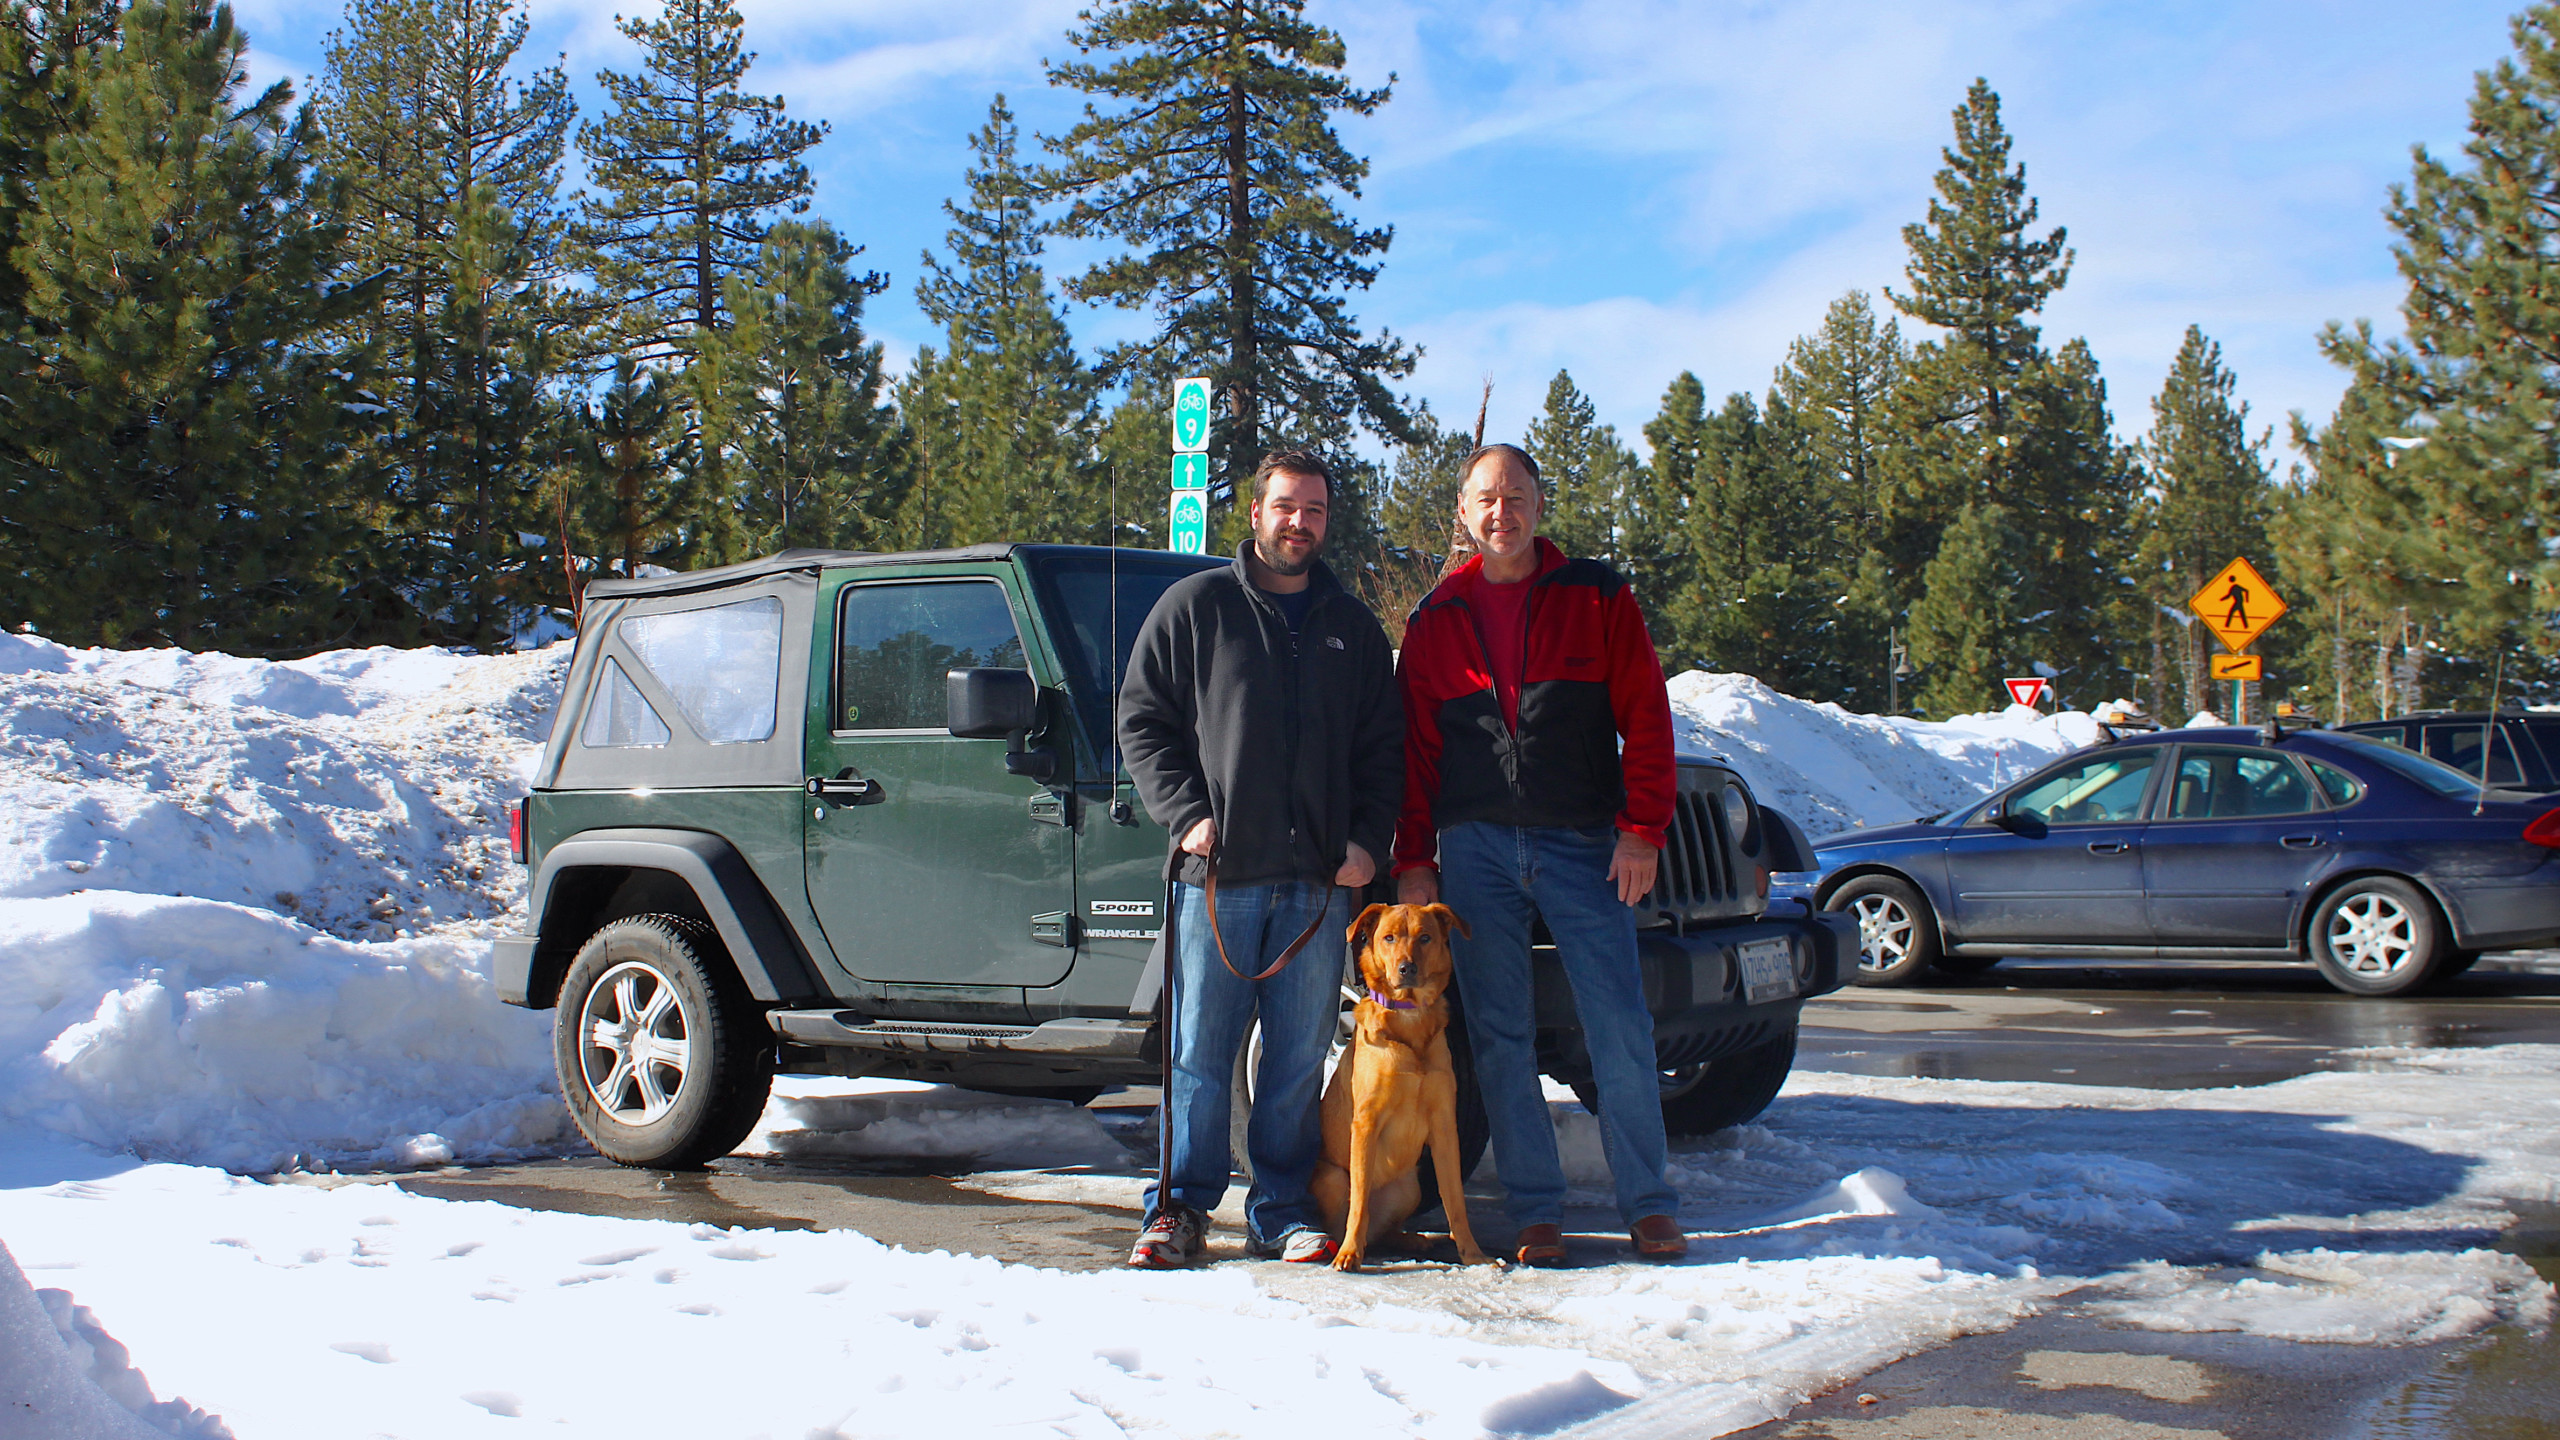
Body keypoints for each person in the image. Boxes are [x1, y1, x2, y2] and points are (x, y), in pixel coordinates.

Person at [1391, 442, 1688, 1265]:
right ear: (1463, 512)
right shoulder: (1434, 621)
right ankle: (1535, 1211)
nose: (1501, 512)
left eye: (1516, 495)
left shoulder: (1596, 597)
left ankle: (1649, 1204)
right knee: (1498, 1036)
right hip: (1475, 850)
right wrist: (1415, 861)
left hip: (1583, 844)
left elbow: (1647, 716)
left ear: (1539, 505)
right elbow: (1416, 756)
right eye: (1485, 498)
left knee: (1618, 1025)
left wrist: (1642, 829)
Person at [1117, 448, 1403, 1268]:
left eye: (1314, 510)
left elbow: (1384, 749)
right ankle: (1175, 1209)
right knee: (1199, 1055)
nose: (1299, 523)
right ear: (1255, 512)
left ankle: (1280, 1208)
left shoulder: (1351, 627)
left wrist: (1365, 844)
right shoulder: (1196, 607)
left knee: (1296, 1059)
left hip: (1318, 885)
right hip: (1217, 880)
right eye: (1286, 507)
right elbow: (1142, 721)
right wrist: (1186, 817)